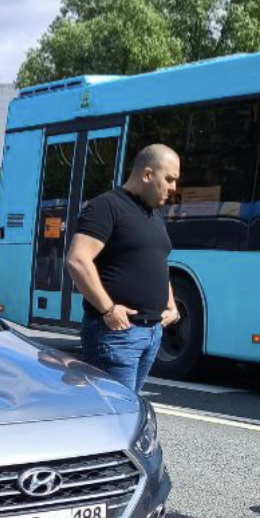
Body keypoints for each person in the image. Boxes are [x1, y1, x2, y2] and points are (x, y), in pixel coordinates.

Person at [65, 143, 181, 397]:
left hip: (151, 334)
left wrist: (171, 305)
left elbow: (157, 261)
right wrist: (108, 309)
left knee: (126, 412)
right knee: (113, 417)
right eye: (169, 179)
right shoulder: (106, 206)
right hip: (116, 333)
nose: (173, 188)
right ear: (148, 174)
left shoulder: (154, 215)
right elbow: (77, 260)